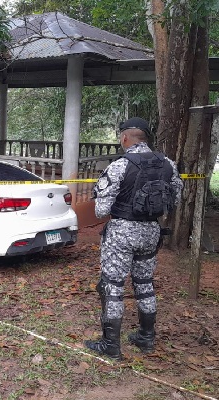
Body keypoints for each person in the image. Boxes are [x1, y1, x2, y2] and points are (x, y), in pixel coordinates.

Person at [84, 117, 183, 360]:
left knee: (113, 287)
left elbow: (100, 211)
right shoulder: (168, 164)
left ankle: (111, 346)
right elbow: (176, 200)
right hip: (151, 231)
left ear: (125, 138)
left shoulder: (120, 165)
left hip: (122, 233)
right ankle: (146, 338)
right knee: (145, 283)